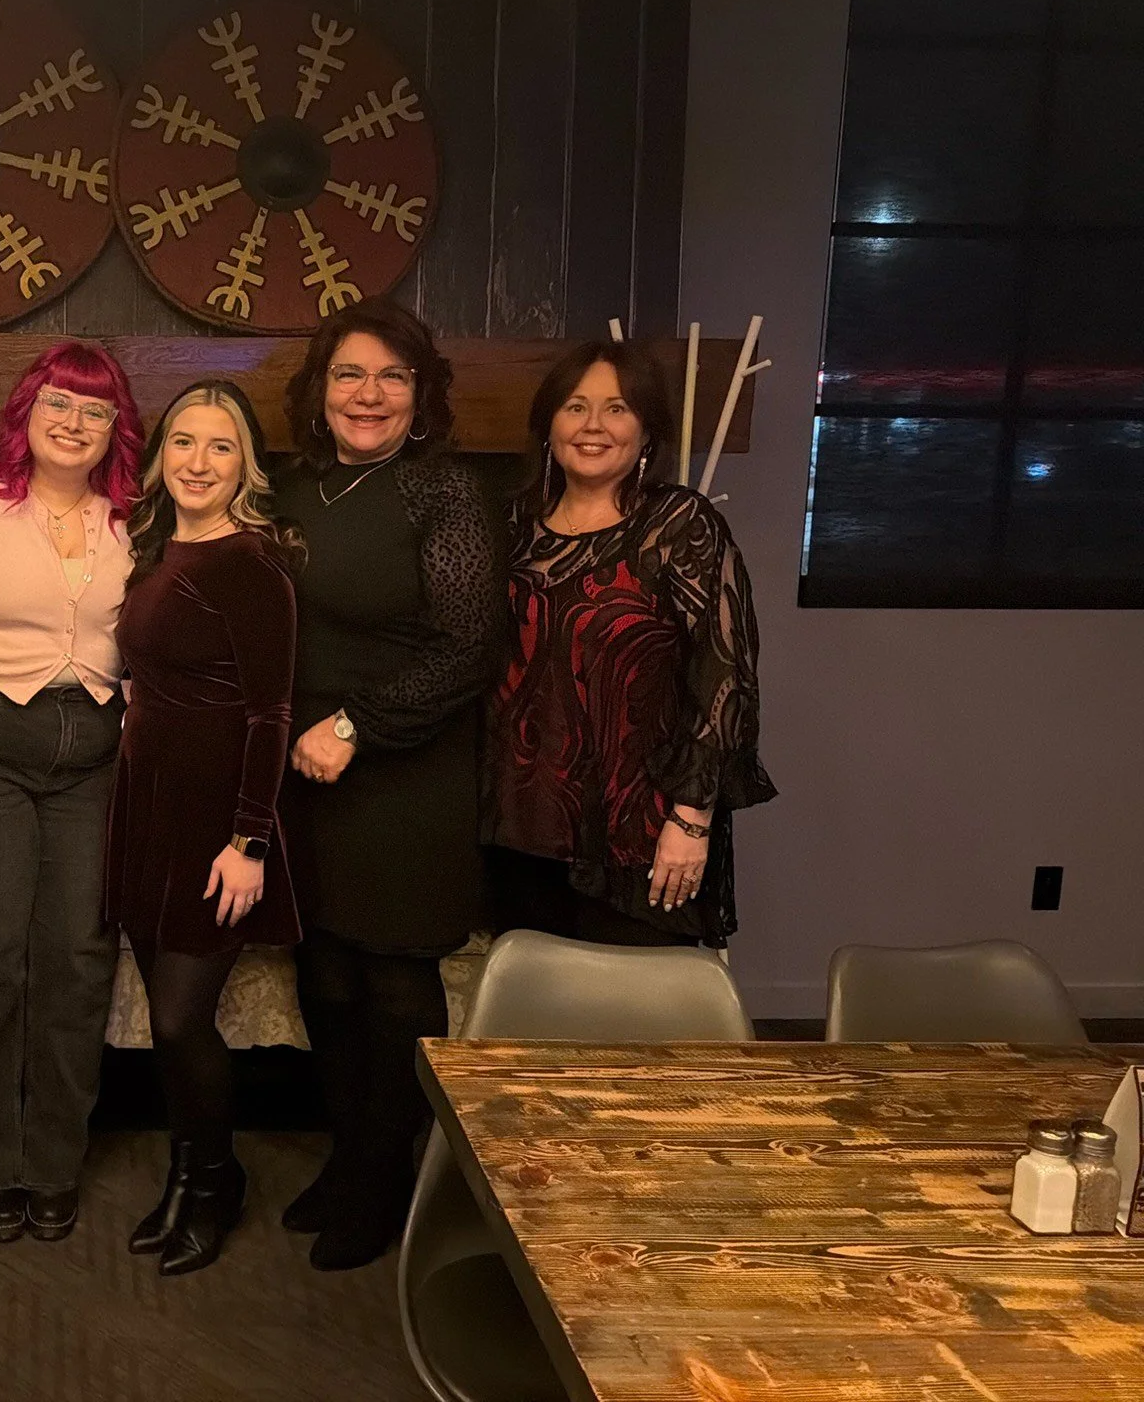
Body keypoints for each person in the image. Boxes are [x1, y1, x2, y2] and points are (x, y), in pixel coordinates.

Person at [271, 300, 502, 1271]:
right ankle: (346, 1155)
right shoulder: (293, 489)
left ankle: (383, 1177)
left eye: (391, 377)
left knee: (391, 977)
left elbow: (468, 645)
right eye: (348, 375)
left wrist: (356, 725)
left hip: (402, 770)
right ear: (318, 394)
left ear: (420, 396)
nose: (368, 395)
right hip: (303, 772)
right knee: (322, 971)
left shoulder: (439, 493)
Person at [0, 342, 144, 1245]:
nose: (73, 422)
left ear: (114, 431)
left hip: (92, 755)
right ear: (26, 409)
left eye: (95, 410)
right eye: (59, 402)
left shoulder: (131, 515)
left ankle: (53, 1164)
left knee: (77, 962)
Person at [482, 340, 775, 949]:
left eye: (616, 409)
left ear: (647, 431)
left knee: (630, 1034)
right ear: (548, 425)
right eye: (575, 406)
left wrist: (692, 820)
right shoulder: (508, 525)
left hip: (638, 836)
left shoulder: (679, 525)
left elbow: (725, 676)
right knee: (530, 1030)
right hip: (517, 831)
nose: (592, 426)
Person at [105, 380, 300, 1278]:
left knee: (184, 1020)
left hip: (218, 825)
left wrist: (250, 840)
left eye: (220, 446)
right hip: (148, 811)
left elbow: (271, 714)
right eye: (183, 441)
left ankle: (217, 1183)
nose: (197, 462)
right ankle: (188, 1178)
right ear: (159, 457)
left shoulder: (250, 565)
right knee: (163, 1019)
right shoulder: (159, 551)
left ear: (245, 466)